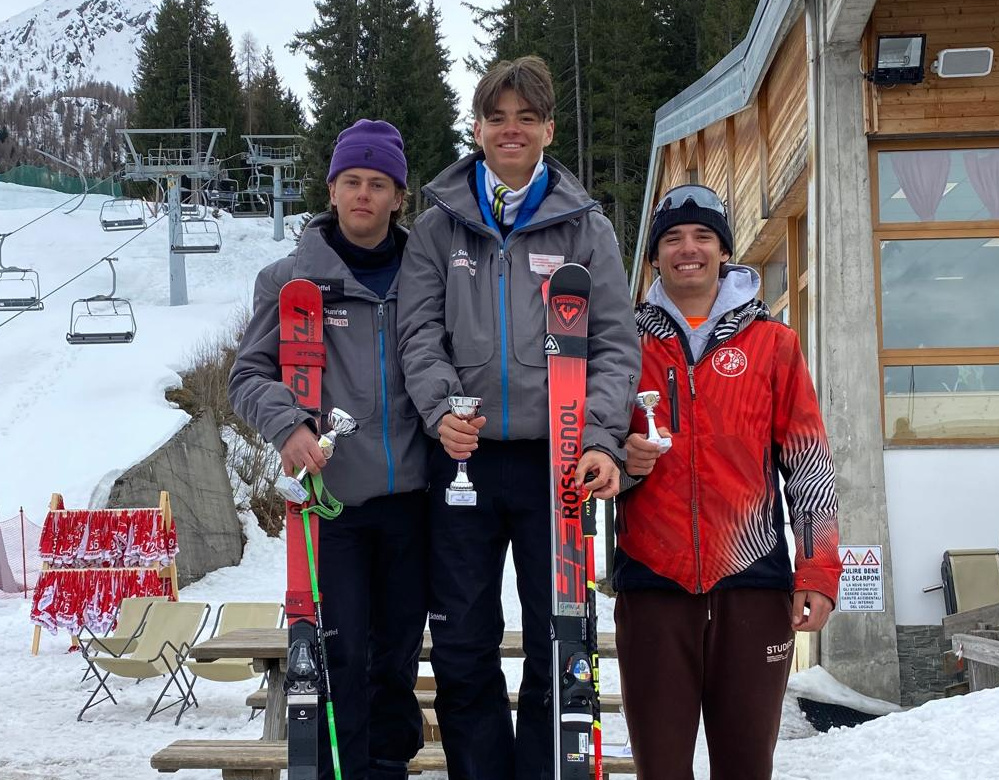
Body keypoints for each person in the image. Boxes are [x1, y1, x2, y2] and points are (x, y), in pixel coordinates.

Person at [396, 56, 640, 780]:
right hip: (462, 460)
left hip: (554, 460)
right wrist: (441, 408)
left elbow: (614, 343)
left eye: (526, 118)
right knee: (463, 641)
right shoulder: (438, 226)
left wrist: (599, 438)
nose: (511, 130)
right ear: (476, 129)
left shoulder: (585, 227)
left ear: (548, 129)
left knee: (557, 637)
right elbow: (417, 332)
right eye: (497, 117)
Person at [614, 183, 844, 780]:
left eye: (702, 236)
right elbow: (588, 450)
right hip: (653, 582)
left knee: (746, 767)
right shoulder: (622, 344)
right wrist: (621, 458)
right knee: (661, 769)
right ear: (654, 255)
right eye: (672, 238)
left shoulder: (773, 343)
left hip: (753, 583)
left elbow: (809, 465)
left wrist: (818, 570)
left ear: (724, 251)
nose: (688, 249)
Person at [228, 119, 429, 780]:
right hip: (331, 506)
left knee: (397, 657)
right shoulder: (290, 282)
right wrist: (287, 425)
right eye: (352, 181)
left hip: (413, 501)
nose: (364, 195)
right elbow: (247, 376)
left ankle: (388, 768)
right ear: (332, 188)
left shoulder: (425, 276)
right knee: (340, 657)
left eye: (378, 184)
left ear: (398, 197)